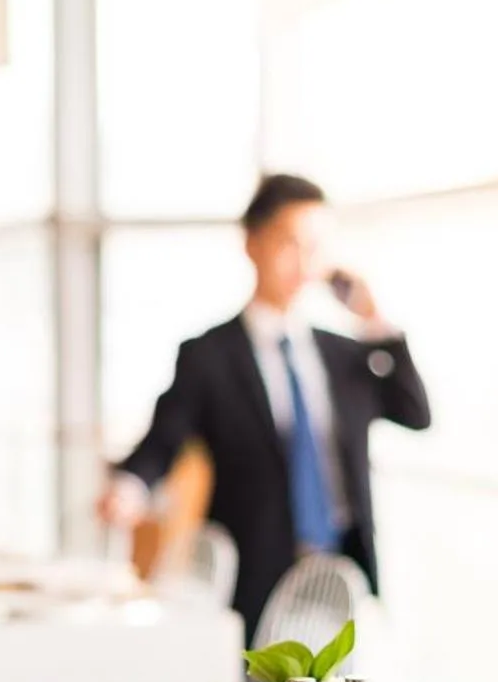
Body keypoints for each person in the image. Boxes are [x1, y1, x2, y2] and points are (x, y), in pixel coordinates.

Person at [97, 173, 431, 640]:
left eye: (315, 247)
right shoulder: (209, 356)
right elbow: (164, 439)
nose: (303, 262)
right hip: (255, 572)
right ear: (252, 243)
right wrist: (130, 487)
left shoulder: (343, 353)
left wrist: (374, 320)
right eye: (289, 243)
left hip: (340, 573)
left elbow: (415, 413)